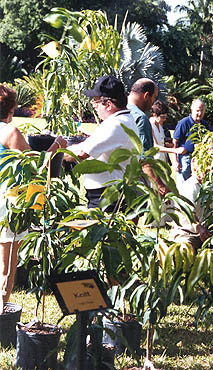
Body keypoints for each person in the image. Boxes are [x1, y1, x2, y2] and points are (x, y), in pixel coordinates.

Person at [0, 85, 66, 314]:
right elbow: (38, 167)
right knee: (6, 265)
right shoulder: (10, 133)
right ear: (10, 109)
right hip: (8, 203)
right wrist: (57, 145)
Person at [64, 75, 139, 209]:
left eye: (96, 102)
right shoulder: (126, 120)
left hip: (107, 195)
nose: (94, 106)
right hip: (114, 190)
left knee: (100, 229)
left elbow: (82, 153)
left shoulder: (115, 124)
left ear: (108, 104)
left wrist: (56, 152)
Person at [127, 78, 170, 196]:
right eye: (154, 97)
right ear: (146, 95)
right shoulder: (141, 118)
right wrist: (160, 185)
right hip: (136, 182)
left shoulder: (118, 111)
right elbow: (145, 158)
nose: (153, 102)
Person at [173, 99, 210, 187]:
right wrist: (175, 161)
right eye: (197, 110)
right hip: (185, 157)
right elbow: (175, 142)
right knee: (183, 182)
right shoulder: (183, 123)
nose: (199, 113)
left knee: (197, 184)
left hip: (199, 158)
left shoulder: (204, 125)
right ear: (191, 109)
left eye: (202, 111)